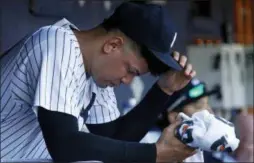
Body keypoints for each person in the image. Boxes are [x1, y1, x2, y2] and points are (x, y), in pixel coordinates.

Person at [0, 1, 197, 163]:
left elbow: (115, 139)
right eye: (130, 70)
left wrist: (164, 90)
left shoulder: (95, 74)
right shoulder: (57, 44)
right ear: (113, 45)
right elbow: (64, 144)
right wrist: (153, 153)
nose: (127, 81)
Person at [141, 78, 219, 162]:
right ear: (175, 117)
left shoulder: (203, 148)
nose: (210, 112)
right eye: (199, 107)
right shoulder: (147, 143)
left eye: (207, 104)